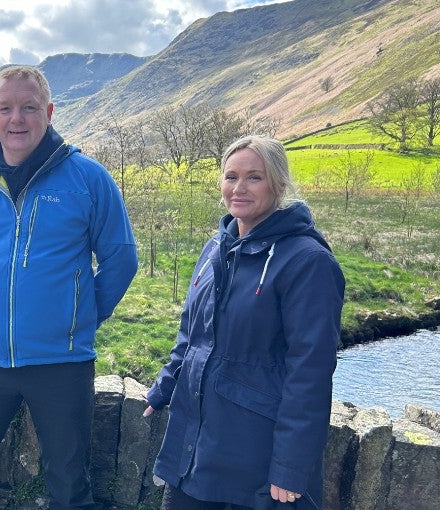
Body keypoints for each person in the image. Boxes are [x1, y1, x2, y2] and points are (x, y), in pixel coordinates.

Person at [0, 65, 138, 509]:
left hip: (62, 364)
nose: (17, 119)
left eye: (29, 108)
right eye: (6, 108)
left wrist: (79, 316)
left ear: (48, 112)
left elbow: (122, 258)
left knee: (68, 486)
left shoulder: (87, 178)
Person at [143, 135, 345, 510]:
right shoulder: (215, 249)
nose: (238, 188)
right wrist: (165, 386)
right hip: (193, 446)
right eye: (230, 176)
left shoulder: (308, 263)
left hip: (253, 456)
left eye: (254, 177)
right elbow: (192, 335)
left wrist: (290, 467)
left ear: (278, 184)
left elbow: (311, 373)